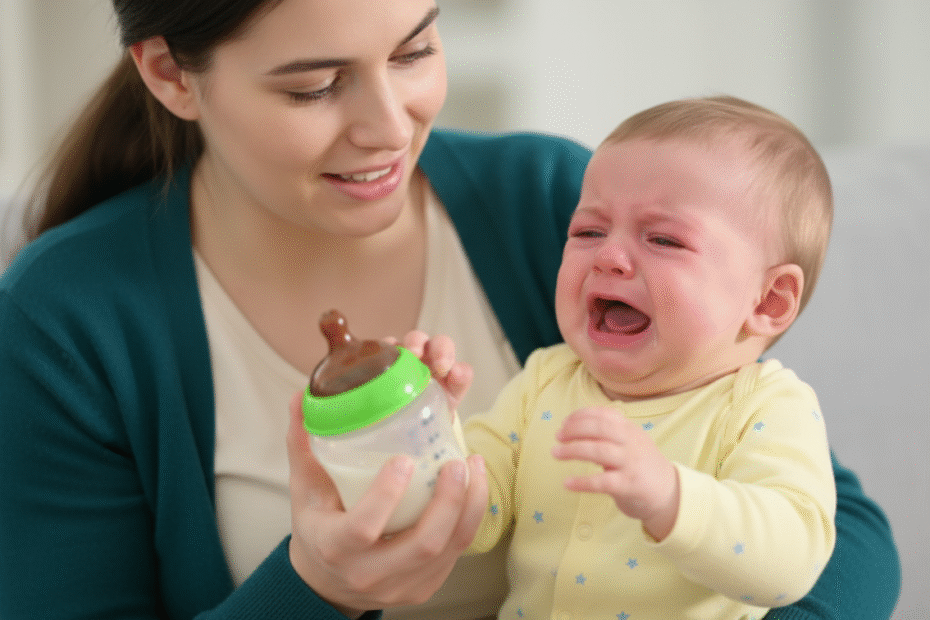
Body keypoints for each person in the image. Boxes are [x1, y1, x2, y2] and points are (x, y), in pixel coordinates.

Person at [0, 1, 899, 619]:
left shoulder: (557, 207)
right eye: (314, 86)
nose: (390, 125)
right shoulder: (67, 321)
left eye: (414, 50)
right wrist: (315, 587)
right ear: (170, 74)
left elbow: (841, 537)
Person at [427, 96, 838, 619]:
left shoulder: (764, 407)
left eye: (664, 239)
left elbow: (791, 562)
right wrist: (426, 433)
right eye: (588, 231)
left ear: (768, 301)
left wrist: (672, 499)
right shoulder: (544, 382)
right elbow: (472, 520)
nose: (609, 256)